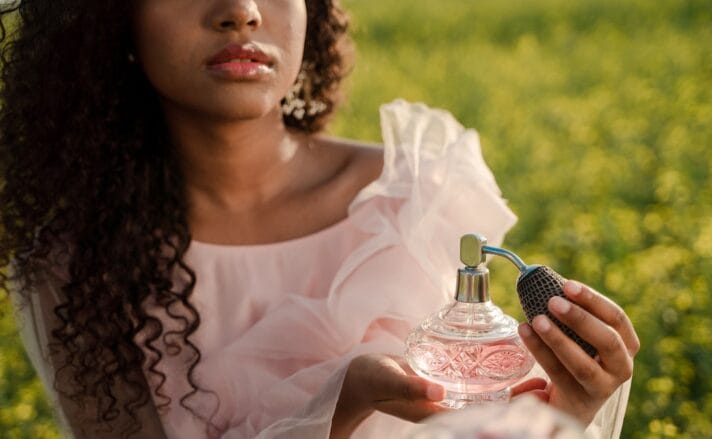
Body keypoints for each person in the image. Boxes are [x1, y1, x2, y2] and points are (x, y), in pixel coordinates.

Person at [0, 0, 640, 438]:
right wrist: (335, 410)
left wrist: (569, 409)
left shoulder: (412, 195)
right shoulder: (75, 259)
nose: (240, 10)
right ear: (112, 19)